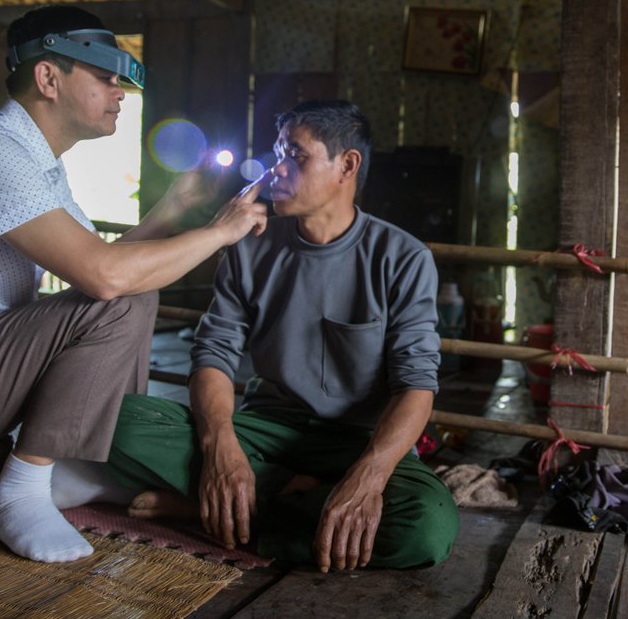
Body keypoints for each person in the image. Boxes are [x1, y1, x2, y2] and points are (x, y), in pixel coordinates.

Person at [0, 5, 269, 564]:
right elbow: (106, 277)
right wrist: (220, 232)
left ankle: (79, 466)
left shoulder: (39, 165)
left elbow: (109, 263)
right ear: (48, 78)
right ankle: (19, 494)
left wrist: (174, 207)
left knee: (128, 290)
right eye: (105, 77)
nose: (119, 93)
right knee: (121, 293)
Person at [68, 100, 459, 572]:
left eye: (297, 155)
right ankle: (279, 500)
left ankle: (231, 510)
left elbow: (417, 384)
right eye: (277, 153)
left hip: (357, 442)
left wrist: (370, 477)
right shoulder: (250, 247)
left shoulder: (402, 257)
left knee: (427, 525)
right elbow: (213, 355)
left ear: (347, 165)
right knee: (109, 419)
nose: (278, 168)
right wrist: (220, 447)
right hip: (265, 432)